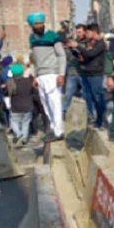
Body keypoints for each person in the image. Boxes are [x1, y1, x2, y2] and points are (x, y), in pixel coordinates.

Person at [27, 12, 66, 141]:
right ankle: (53, 130)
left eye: (40, 23)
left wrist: (61, 74)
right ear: (32, 25)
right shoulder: (32, 39)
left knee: (55, 104)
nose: (39, 25)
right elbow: (33, 59)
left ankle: (59, 132)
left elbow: (61, 55)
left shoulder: (52, 36)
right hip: (40, 76)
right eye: (36, 24)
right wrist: (34, 76)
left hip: (52, 74)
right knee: (46, 105)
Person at [71, 23, 108, 128]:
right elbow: (86, 55)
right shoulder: (90, 43)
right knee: (90, 97)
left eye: (87, 32)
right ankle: (96, 119)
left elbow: (91, 54)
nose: (86, 34)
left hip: (96, 74)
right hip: (86, 73)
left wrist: (78, 46)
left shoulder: (100, 44)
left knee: (98, 97)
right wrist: (75, 51)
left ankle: (102, 120)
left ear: (94, 32)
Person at [6, 62, 34, 145]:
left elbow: (7, 93)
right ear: (22, 72)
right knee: (26, 123)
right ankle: (24, 140)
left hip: (15, 107)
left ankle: (18, 134)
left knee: (13, 122)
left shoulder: (10, 82)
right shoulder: (28, 81)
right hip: (28, 106)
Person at [62, 24, 87, 116]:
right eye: (77, 32)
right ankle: (63, 112)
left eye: (80, 32)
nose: (78, 34)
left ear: (85, 31)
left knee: (86, 95)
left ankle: (88, 115)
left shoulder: (87, 43)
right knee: (68, 94)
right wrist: (68, 48)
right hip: (72, 72)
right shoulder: (73, 43)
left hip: (83, 72)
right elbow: (67, 57)